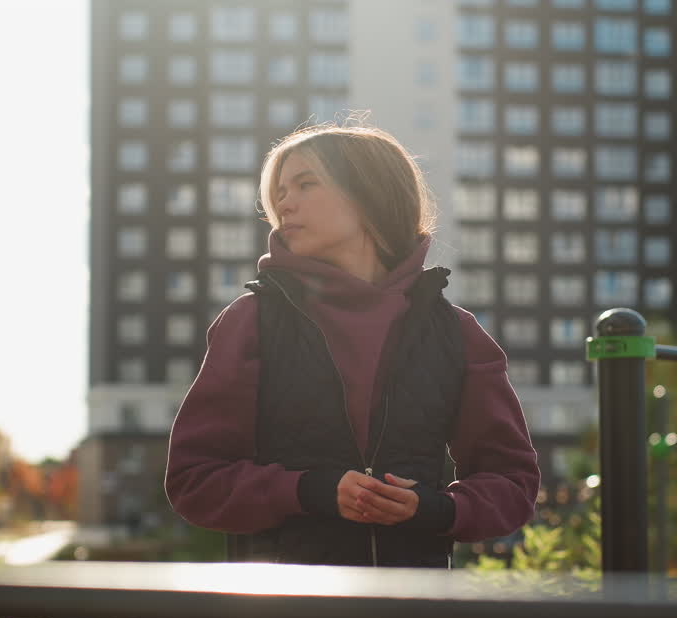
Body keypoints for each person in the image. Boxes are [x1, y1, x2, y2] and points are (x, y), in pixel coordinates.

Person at [165, 120, 540, 568]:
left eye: (306, 184)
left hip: (413, 606)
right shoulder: (250, 322)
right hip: (285, 606)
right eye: (280, 191)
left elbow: (512, 481)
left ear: (369, 194)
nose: (284, 203)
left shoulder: (457, 333)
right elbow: (195, 481)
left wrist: (437, 509)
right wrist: (309, 491)